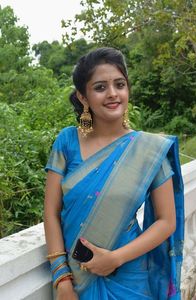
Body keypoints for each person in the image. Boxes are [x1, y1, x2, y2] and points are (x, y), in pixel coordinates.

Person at [44, 47, 184, 300]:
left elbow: (167, 221)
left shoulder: (148, 150)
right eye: (100, 87)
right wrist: (61, 279)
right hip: (75, 281)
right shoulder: (67, 142)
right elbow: (51, 213)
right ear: (83, 97)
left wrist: (115, 258)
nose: (112, 94)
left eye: (119, 84)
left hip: (129, 276)